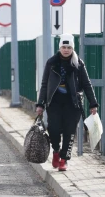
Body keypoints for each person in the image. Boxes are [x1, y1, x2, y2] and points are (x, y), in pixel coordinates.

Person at [36, 33, 98, 171]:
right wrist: (40, 104)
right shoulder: (51, 63)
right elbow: (45, 83)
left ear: (72, 48)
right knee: (54, 129)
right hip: (54, 102)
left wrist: (93, 104)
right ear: (59, 48)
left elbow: (87, 84)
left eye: (69, 47)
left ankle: (64, 159)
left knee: (70, 132)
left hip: (73, 103)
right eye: (63, 47)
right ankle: (56, 151)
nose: (66, 50)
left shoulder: (78, 64)